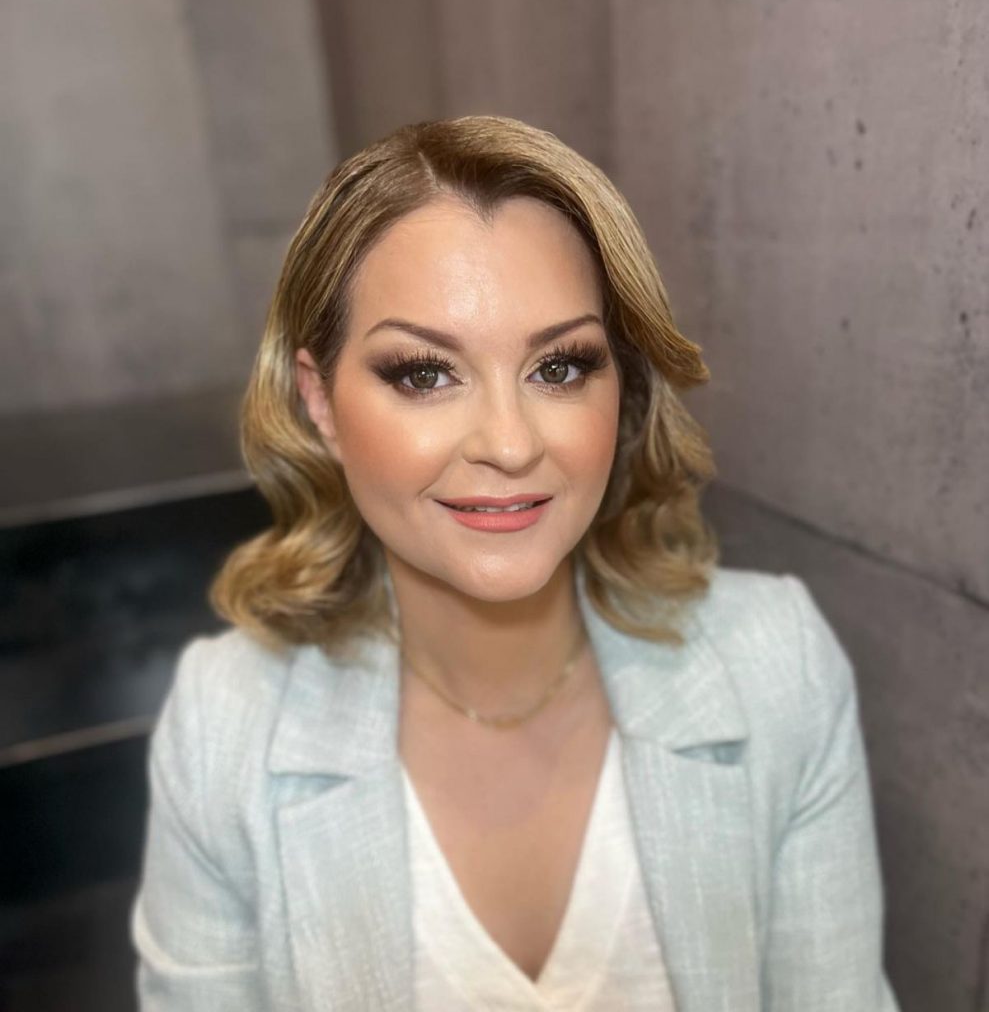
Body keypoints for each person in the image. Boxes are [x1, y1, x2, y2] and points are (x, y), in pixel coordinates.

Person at [130, 115, 900, 1011]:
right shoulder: (223, 725)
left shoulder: (778, 665)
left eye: (559, 367)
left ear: (622, 386)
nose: (507, 443)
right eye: (425, 373)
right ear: (320, 402)